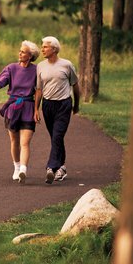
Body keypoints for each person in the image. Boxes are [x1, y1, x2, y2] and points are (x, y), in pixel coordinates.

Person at [0, 40, 40, 183]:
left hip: (28, 107)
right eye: (20, 50)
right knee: (14, 140)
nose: (20, 53)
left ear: (30, 56)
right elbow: (2, 81)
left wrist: (37, 109)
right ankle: (16, 167)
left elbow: (39, 90)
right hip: (13, 108)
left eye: (23, 52)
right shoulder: (11, 68)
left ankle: (23, 170)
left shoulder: (36, 70)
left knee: (25, 142)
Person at [34, 36, 80, 184]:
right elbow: (39, 89)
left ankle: (51, 167)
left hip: (63, 105)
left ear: (54, 49)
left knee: (57, 135)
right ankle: (62, 168)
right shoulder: (40, 66)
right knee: (55, 137)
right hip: (48, 105)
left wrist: (77, 105)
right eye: (42, 47)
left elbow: (75, 85)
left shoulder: (67, 65)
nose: (42, 49)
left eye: (45, 47)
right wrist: (36, 109)